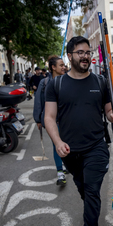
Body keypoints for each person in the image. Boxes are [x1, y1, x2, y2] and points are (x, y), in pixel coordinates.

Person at [44, 36, 113, 226]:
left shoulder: (100, 81)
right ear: (69, 56)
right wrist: (58, 142)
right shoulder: (56, 84)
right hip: (70, 151)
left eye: (88, 52)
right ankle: (90, 208)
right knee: (83, 188)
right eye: (80, 52)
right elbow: (49, 117)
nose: (85, 56)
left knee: (92, 189)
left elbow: (107, 109)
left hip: (96, 146)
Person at [33, 55, 68, 186]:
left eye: (64, 65)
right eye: (61, 65)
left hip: (65, 119)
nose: (64, 67)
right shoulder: (44, 83)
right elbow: (38, 102)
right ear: (53, 67)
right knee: (56, 144)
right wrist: (38, 119)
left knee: (67, 142)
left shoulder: (67, 80)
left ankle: (65, 165)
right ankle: (60, 172)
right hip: (52, 121)